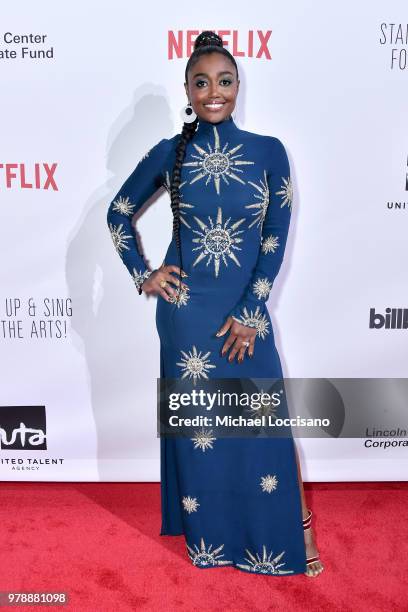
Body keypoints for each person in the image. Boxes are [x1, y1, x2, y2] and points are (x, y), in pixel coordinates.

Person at [107, 30, 323, 577]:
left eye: (223, 81)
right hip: (186, 316)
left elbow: (274, 235)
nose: (213, 92)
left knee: (264, 425)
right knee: (202, 431)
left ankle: (294, 529)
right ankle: (213, 539)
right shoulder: (169, 154)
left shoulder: (270, 152)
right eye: (201, 83)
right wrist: (144, 275)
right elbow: (118, 214)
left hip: (245, 312)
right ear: (188, 89)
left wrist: (252, 312)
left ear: (238, 86)